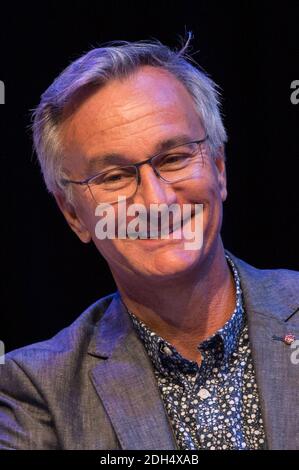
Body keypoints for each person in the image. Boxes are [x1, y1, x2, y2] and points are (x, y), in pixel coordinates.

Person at [0, 38, 298, 450]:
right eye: (114, 176)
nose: (156, 201)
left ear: (218, 167)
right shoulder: (36, 393)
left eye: (175, 157)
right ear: (73, 214)